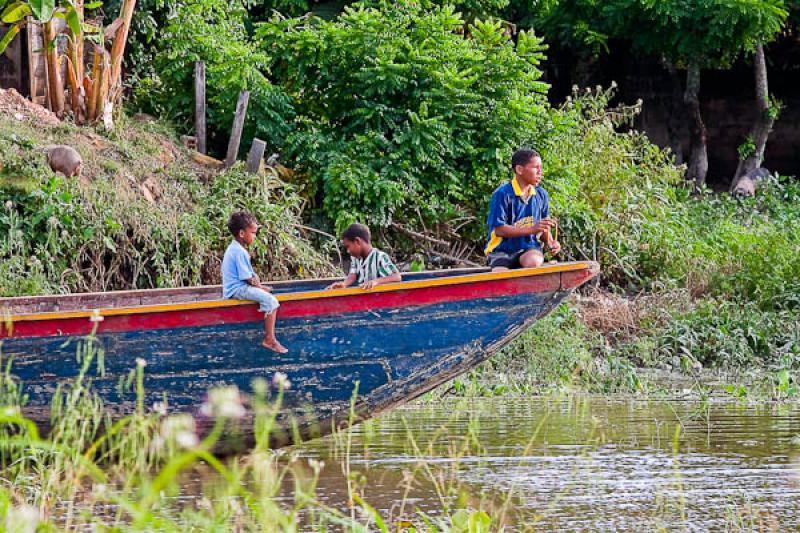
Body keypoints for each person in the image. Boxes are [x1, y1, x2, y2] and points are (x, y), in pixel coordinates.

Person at [484, 148, 561, 271]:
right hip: (501, 250)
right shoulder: (502, 194)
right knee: (500, 273)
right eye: (536, 167)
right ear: (519, 169)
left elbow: (543, 229)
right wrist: (532, 229)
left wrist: (551, 242)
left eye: (541, 167)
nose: (540, 172)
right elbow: (499, 230)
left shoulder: (541, 195)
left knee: (534, 261)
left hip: (528, 248)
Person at [222, 211, 288, 353]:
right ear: (241, 233)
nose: (255, 236)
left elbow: (250, 277)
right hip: (237, 290)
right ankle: (270, 339)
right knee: (272, 302)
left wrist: (260, 286)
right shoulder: (239, 251)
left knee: (266, 291)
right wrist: (259, 287)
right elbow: (248, 279)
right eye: (253, 233)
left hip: (238, 287)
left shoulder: (235, 248)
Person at [327, 223, 402, 290]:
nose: (348, 251)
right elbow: (352, 275)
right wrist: (344, 284)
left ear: (357, 241)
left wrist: (376, 281)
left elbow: (396, 276)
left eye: (348, 246)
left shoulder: (379, 257)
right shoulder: (355, 258)